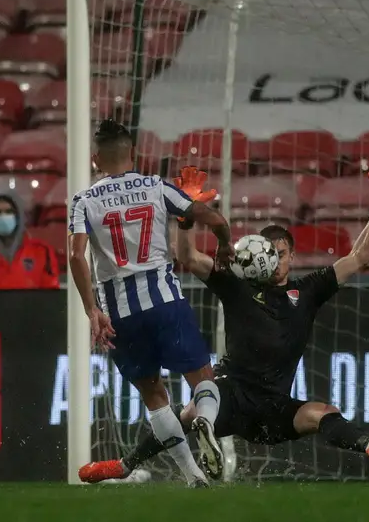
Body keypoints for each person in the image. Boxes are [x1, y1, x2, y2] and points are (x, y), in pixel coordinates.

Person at [78, 160, 369, 484]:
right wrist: (185, 218)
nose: (273, 260)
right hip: (232, 393)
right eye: (267, 252)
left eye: (280, 253)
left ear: (291, 256)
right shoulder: (237, 286)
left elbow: (358, 257)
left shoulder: (310, 290)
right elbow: (188, 257)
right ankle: (128, 465)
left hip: (273, 407)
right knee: (191, 412)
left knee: (322, 412)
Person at [69, 120, 235, 487]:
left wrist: (91, 309)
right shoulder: (156, 186)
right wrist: (223, 241)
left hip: (120, 313)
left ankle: (193, 477)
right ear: (133, 154)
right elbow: (212, 217)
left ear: (96, 159)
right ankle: (205, 420)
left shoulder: (83, 200)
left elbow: (77, 257)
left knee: (154, 395)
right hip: (164, 300)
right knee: (203, 380)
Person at [0, 190, 60, 290]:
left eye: (9, 212)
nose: (3, 217)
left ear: (19, 216)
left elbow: (50, 299)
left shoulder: (43, 252)